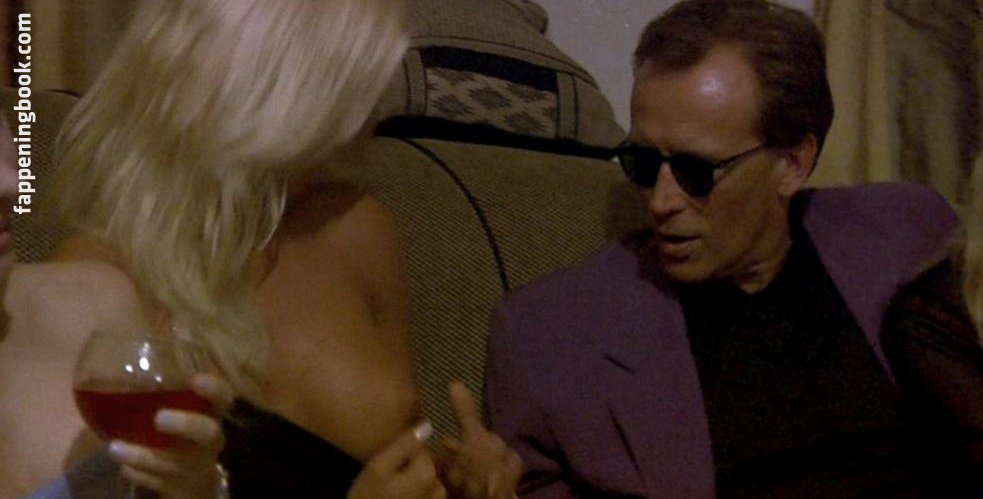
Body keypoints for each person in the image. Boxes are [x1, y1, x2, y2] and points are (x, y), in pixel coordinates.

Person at [484, 0, 983, 496]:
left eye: (696, 171)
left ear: (792, 163)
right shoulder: (548, 337)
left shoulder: (901, 236)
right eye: (642, 163)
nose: (661, 201)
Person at [1, 0, 455, 497]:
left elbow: (408, 450)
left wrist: (457, 471)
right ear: (261, 106)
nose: (359, 131)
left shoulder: (355, 224)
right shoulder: (90, 285)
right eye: (341, 108)